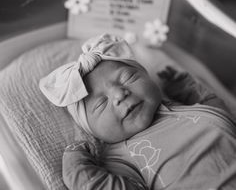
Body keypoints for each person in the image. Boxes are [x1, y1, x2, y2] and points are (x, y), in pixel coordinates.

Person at [39, 33, 236, 190]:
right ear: (91, 130)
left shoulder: (182, 108)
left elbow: (217, 110)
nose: (120, 94)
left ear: (148, 78)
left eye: (127, 78)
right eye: (101, 103)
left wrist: (185, 88)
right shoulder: (122, 158)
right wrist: (78, 168)